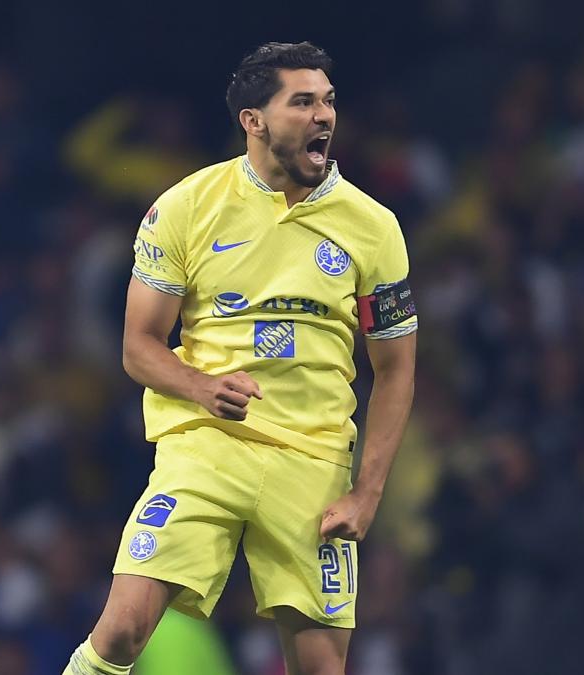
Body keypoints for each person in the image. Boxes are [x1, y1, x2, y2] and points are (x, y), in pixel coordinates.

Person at [63, 41, 418, 675]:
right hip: (207, 447)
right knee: (120, 632)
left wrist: (367, 493)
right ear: (253, 121)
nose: (323, 116)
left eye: (329, 102)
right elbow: (138, 347)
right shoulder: (184, 207)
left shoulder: (374, 227)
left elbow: (394, 370)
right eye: (301, 102)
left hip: (314, 466)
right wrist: (200, 387)